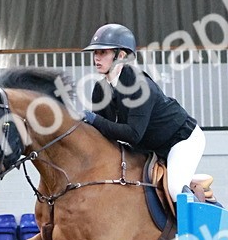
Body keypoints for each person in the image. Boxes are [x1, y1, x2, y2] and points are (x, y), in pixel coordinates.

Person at [80, 23, 206, 200]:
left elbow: (133, 134)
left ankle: (192, 227)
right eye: (95, 53)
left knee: (175, 189)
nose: (96, 58)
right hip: (148, 147)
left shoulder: (140, 86)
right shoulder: (101, 90)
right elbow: (103, 135)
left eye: (103, 52)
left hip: (181, 140)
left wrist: (93, 120)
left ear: (121, 55)